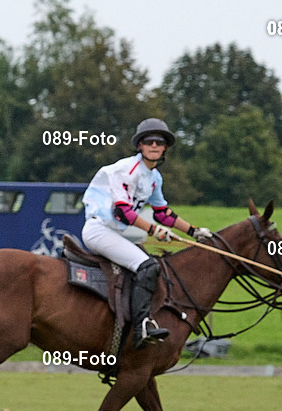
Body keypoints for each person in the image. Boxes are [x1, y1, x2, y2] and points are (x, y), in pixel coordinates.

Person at [80, 118, 213, 348]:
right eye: (148, 141)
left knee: (151, 265)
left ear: (165, 148)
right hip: (99, 229)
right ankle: (141, 329)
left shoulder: (154, 178)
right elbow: (122, 212)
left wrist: (194, 231)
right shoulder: (126, 170)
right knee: (147, 266)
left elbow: (163, 214)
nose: (154, 145)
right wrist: (153, 230)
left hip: (116, 232)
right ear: (140, 145)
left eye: (159, 142)